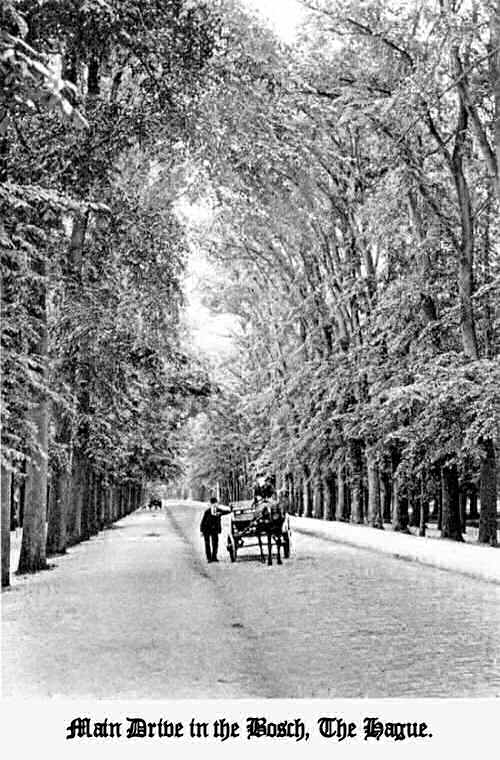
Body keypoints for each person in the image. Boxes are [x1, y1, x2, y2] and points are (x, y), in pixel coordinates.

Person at [200, 496, 231, 563]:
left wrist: (230, 509)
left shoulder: (218, 510)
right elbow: (203, 521)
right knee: (207, 544)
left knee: (215, 543)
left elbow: (226, 512)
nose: (216, 504)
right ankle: (209, 558)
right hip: (207, 529)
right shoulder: (207, 511)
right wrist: (201, 531)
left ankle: (214, 557)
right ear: (212, 504)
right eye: (215, 503)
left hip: (215, 530)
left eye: (217, 503)